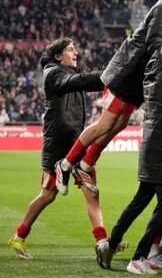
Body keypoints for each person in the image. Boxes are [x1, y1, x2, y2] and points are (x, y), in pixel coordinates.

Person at [55, 0, 162, 195]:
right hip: (127, 71)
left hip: (137, 76)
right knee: (106, 124)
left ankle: (85, 165)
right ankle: (65, 165)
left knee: (120, 124)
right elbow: (156, 43)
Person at [97, 41, 162, 274]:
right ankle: (139, 257)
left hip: (153, 149)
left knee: (140, 200)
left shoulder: (155, 75)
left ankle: (111, 244)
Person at [8, 38, 111, 259]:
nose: (76, 53)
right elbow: (79, 81)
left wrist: (113, 78)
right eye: (71, 49)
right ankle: (18, 237)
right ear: (58, 56)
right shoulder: (53, 73)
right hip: (57, 147)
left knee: (91, 192)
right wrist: (112, 74)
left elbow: (85, 81)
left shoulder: (70, 73)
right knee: (48, 195)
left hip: (78, 143)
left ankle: (103, 243)